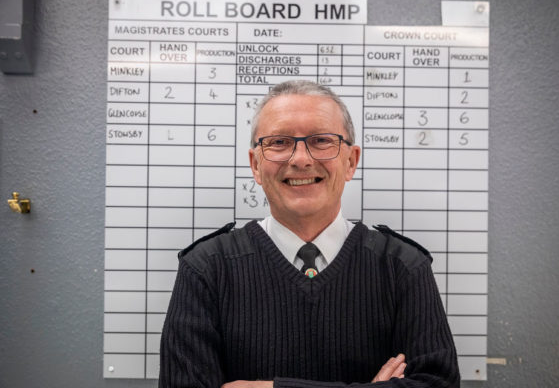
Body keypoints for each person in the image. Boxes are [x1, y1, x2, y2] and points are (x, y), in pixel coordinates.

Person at [159, 80, 460, 388]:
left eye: (320, 141)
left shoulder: (403, 267)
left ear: (350, 161)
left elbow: (438, 383)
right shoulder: (206, 269)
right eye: (279, 142)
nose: (300, 159)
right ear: (255, 165)